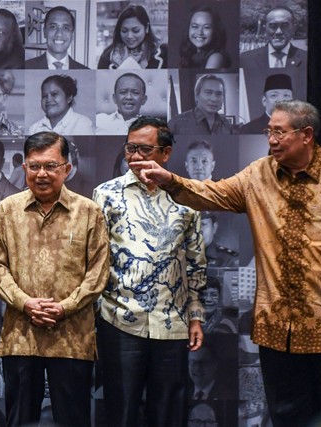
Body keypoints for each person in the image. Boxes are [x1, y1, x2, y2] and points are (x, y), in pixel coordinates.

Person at [132, 100, 321, 427]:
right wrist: (170, 180)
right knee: (287, 415)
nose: (271, 139)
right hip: (278, 330)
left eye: (279, 132)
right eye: (268, 131)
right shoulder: (258, 175)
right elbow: (210, 193)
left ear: (306, 135)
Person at [0, 131, 109, 427]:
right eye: (34, 166)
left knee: (73, 419)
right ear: (24, 168)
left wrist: (64, 307)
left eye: (50, 166)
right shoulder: (8, 209)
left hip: (72, 336)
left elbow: (98, 271)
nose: (41, 174)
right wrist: (25, 303)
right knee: (19, 419)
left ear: (66, 168)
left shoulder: (89, 211)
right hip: (20, 336)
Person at [92, 117, 206, 427]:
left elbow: (195, 262)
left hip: (173, 321)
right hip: (118, 318)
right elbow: (95, 258)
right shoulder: (105, 194)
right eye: (130, 148)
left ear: (165, 153)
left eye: (145, 149)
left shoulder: (186, 197)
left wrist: (196, 315)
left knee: (169, 409)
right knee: (121, 407)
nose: (136, 156)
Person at [97, 5, 167, 69]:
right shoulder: (107, 56)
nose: (129, 36)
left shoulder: (164, 53)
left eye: (135, 31)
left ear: (147, 28)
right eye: (124, 31)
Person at [240, 6, 306, 69]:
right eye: (273, 26)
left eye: (284, 25)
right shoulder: (246, 59)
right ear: (265, 29)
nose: (278, 32)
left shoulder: (306, 58)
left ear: (293, 29)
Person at [28, 74, 94, 135]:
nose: (48, 99)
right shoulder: (34, 129)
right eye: (44, 96)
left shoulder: (83, 125)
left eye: (54, 94)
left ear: (69, 98)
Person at [25, 6, 88, 70]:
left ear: (72, 35)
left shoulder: (85, 71)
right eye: (53, 27)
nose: (59, 34)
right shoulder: (26, 67)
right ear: (45, 32)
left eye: (65, 28)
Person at [168, 74, 233, 135]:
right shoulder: (177, 123)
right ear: (197, 95)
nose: (214, 99)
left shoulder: (226, 124)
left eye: (218, 94)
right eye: (208, 92)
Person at [180, 5, 230, 69]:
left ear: (215, 30)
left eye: (206, 27)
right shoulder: (191, 55)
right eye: (195, 26)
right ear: (188, 29)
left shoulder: (215, 57)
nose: (200, 32)